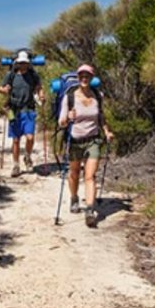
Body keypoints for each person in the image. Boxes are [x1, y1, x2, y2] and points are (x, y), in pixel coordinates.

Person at [58, 64, 115, 227]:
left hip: (93, 140)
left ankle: (90, 210)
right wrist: (67, 117)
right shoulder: (69, 97)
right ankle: (74, 198)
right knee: (74, 173)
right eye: (82, 76)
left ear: (92, 78)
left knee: (90, 176)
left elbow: (101, 117)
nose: (84, 78)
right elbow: (61, 123)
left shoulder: (98, 95)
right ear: (78, 77)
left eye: (87, 76)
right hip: (75, 140)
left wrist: (106, 131)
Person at [0, 50, 45, 177]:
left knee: (30, 137)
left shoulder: (32, 75)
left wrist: (41, 96)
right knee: (16, 140)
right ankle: (15, 165)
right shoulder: (11, 75)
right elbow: (1, 88)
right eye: (21, 63)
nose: (23, 65)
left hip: (29, 109)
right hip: (13, 110)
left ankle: (27, 156)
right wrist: (4, 90)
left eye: (25, 62)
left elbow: (39, 87)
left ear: (28, 63)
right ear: (17, 63)